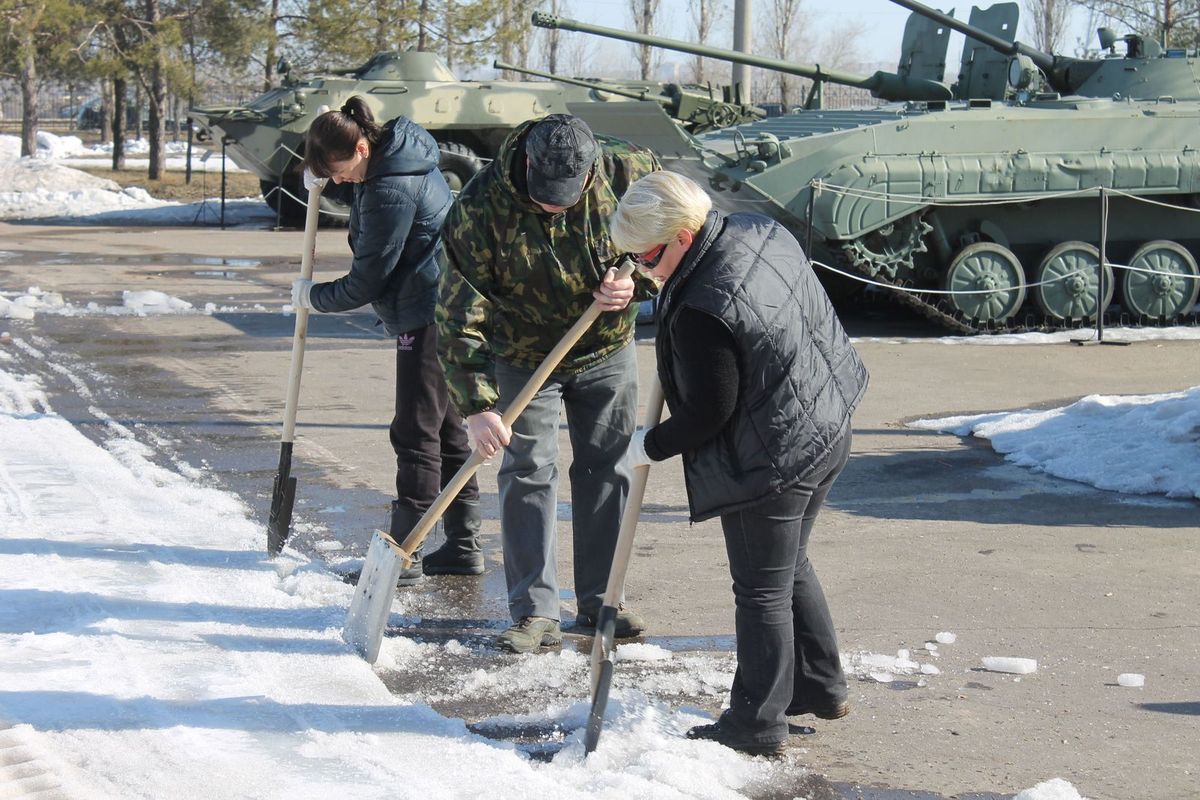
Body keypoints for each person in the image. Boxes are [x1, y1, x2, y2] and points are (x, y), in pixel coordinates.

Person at [610, 171, 869, 757]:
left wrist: (647, 446)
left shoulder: (704, 306)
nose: (645, 271)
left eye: (648, 258)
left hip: (771, 458)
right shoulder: (758, 231)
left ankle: (755, 724)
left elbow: (709, 412)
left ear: (681, 235)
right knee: (789, 567)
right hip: (825, 422)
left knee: (760, 591)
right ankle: (821, 688)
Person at [438, 113, 661, 653]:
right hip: (521, 355)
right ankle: (534, 611)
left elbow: (673, 243)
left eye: (568, 194)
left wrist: (639, 284)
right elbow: (456, 309)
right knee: (528, 470)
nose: (555, 205)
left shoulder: (630, 170)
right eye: (545, 195)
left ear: (590, 171)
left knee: (607, 467)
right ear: (529, 163)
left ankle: (602, 600)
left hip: (606, 347)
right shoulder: (479, 207)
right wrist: (477, 405)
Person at [292, 96, 482, 582]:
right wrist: (329, 186)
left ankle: (404, 553)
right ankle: (462, 545)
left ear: (359, 146)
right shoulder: (399, 158)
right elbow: (361, 192)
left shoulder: (389, 188)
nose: (336, 181)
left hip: (427, 314)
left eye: (337, 169)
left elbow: (368, 278)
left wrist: (315, 297)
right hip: (445, 305)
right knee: (446, 432)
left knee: (416, 431)